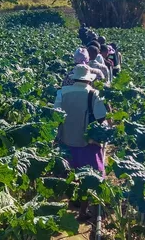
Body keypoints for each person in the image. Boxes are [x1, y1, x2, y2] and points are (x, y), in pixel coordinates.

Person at [54, 64, 108, 219]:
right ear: (88, 80)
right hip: (87, 143)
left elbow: (55, 115)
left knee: (69, 174)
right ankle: (83, 211)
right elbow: (101, 117)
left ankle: (72, 199)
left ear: (75, 78)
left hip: (66, 139)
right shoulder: (93, 94)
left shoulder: (62, 93)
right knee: (87, 177)